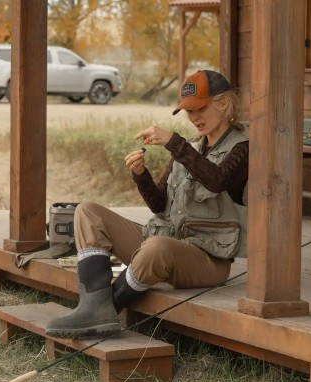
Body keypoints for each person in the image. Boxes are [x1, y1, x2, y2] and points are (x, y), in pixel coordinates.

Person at [45, 70, 249, 339]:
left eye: (200, 108)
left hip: (208, 261)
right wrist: (141, 175)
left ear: (223, 104)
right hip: (167, 245)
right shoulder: (190, 147)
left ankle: (103, 310)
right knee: (87, 211)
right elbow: (158, 204)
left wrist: (173, 142)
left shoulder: (243, 148)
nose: (194, 117)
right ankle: (92, 308)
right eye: (189, 111)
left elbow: (217, 180)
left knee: (156, 247)